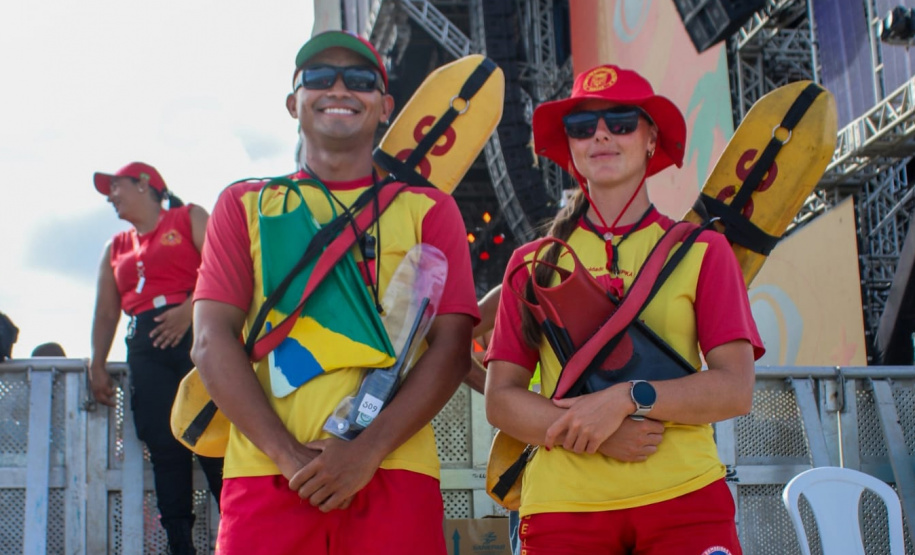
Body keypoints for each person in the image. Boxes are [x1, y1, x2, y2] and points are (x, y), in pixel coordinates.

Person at [190, 30, 479, 555]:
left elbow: (453, 348)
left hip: (393, 470)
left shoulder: (430, 209)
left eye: (361, 80)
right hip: (268, 472)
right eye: (320, 78)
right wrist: (288, 456)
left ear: (385, 105)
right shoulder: (243, 205)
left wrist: (366, 453)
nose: (340, 89)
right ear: (292, 102)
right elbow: (211, 341)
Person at [484, 64, 765, 555]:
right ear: (569, 146)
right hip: (563, 507)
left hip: (685, 498)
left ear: (651, 138)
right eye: (582, 127)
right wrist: (593, 434)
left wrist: (626, 398)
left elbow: (735, 389)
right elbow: (501, 400)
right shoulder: (530, 265)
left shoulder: (703, 251)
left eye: (621, 122)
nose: (601, 136)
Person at [87, 161, 223, 555]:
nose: (111, 196)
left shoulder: (188, 216)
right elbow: (106, 312)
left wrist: (190, 308)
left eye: (116, 187)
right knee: (164, 445)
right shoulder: (115, 247)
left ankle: (242, 533)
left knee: (213, 437)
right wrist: (97, 363)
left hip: (199, 331)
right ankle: (180, 544)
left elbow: (226, 264)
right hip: (146, 343)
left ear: (145, 184)